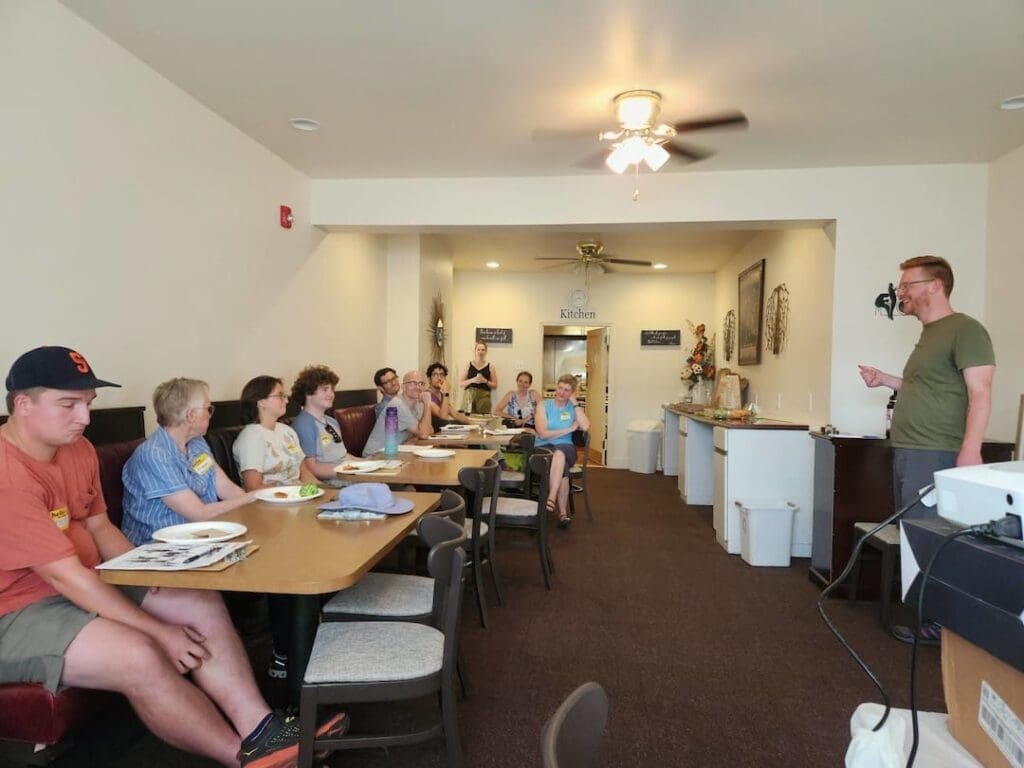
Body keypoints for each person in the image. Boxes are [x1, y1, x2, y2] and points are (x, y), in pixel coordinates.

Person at [0, 346, 345, 767]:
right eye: (68, 404)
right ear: (22, 405)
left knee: (195, 599)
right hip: (18, 611)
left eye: (88, 404)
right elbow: (66, 579)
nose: (85, 417)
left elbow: (99, 527)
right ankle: (246, 759)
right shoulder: (7, 474)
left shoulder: (78, 450)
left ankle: (262, 730)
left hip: (87, 578)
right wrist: (160, 631)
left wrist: (148, 574)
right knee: (139, 654)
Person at [858, 255, 995, 645]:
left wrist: (971, 451)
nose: (902, 293)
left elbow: (980, 393)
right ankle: (929, 616)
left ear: (934, 285)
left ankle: (942, 626)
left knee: (932, 536)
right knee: (916, 533)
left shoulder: (965, 330)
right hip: (910, 449)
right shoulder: (929, 334)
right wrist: (884, 379)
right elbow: (927, 388)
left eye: (907, 285)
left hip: (937, 451)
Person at [232, 375, 318, 678]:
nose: (284, 400)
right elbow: (253, 486)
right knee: (291, 573)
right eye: (278, 395)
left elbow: (305, 472)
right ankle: (283, 652)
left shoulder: (285, 431)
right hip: (268, 517)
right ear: (260, 401)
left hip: (299, 509)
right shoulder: (252, 437)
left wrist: (323, 497)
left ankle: (313, 637)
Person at [121, 378, 257, 546]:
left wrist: (255, 508)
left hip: (204, 537)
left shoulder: (196, 443)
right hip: (161, 548)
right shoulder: (154, 454)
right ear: (191, 415)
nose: (210, 414)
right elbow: (198, 514)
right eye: (208, 408)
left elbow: (226, 488)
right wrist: (253, 497)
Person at [534, 374, 590, 529]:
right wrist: (568, 429)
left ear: (571, 393)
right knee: (562, 465)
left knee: (560, 453)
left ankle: (551, 496)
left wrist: (575, 404)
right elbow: (543, 433)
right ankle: (562, 514)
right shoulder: (543, 405)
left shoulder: (573, 409)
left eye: (567, 390)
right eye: (560, 388)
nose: (561, 392)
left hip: (566, 447)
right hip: (542, 447)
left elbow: (585, 426)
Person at [290, 365, 353, 483]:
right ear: (308, 393)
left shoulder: (331, 421)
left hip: (348, 474)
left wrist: (366, 463)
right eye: (325, 389)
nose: (331, 394)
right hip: (333, 482)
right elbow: (310, 468)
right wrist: (353, 470)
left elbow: (341, 454)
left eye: (332, 389)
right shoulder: (304, 425)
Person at [362, 371, 434, 456]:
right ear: (403, 387)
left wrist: (417, 435)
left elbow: (430, 430)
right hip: (375, 456)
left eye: (421, 383)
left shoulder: (418, 403)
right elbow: (424, 434)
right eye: (413, 383)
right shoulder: (397, 405)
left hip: (395, 453)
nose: (418, 387)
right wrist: (428, 404)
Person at [426, 362, 471, 429]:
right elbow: (443, 417)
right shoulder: (427, 395)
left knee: (461, 422)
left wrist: (474, 424)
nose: (439, 378)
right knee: (450, 423)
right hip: (432, 430)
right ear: (429, 379)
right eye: (435, 375)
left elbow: (456, 414)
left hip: (441, 429)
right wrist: (446, 393)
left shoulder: (442, 395)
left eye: (442, 375)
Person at [459, 341, 497, 414]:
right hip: (469, 395)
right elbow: (461, 383)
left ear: (486, 352)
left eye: (483, 350)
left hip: (484, 396)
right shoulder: (468, 364)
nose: (480, 352)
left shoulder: (490, 366)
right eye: (478, 349)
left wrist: (485, 381)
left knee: (483, 419)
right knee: (467, 418)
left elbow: (495, 385)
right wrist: (472, 380)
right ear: (475, 351)